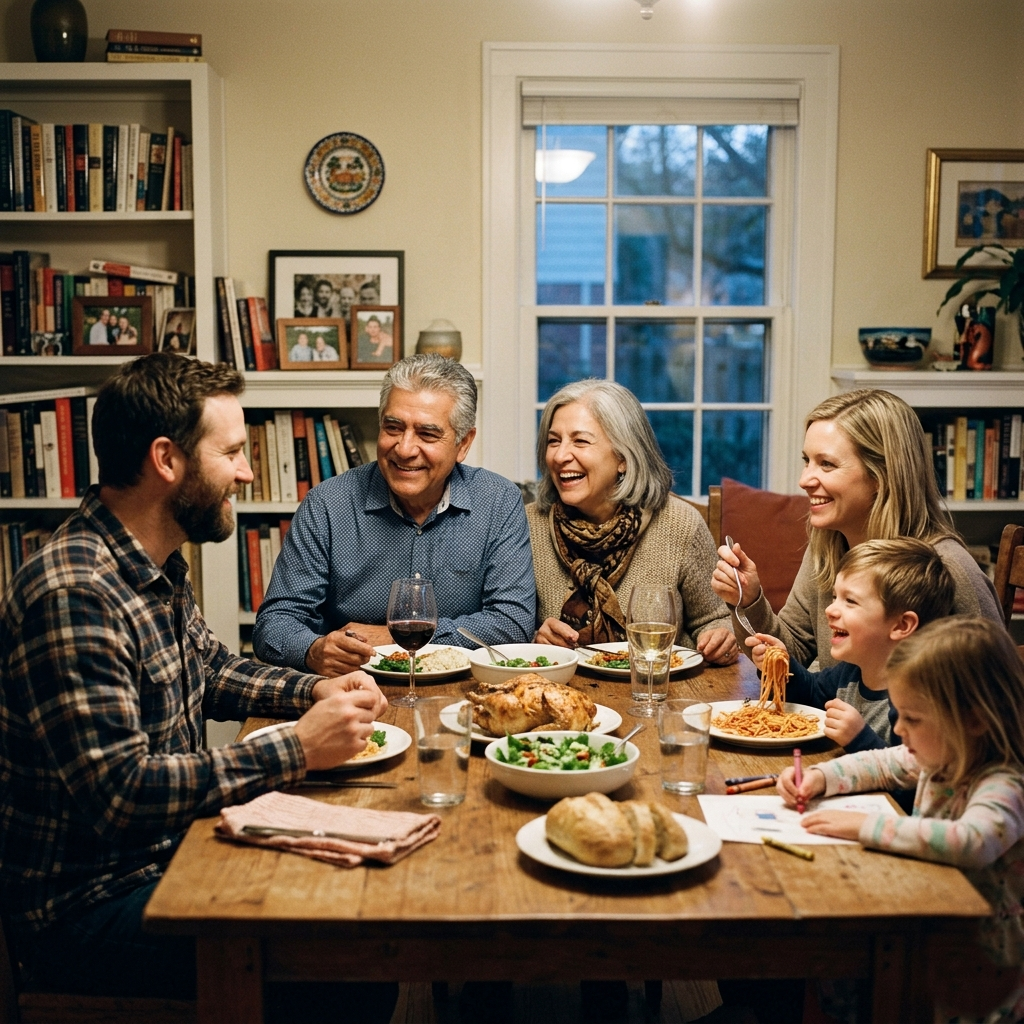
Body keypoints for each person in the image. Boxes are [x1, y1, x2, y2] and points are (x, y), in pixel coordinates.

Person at [0, 353, 395, 1020]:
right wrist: (298, 748)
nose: (246, 471)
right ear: (166, 460)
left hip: (170, 856)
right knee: (347, 965)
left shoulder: (151, 561)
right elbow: (122, 793)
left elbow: (210, 669)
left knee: (359, 911)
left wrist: (317, 691)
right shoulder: (76, 591)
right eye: (234, 452)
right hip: (89, 912)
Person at [779, 617, 1024, 1022]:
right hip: (929, 923)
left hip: (980, 961)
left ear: (975, 720)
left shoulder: (1005, 783)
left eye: (913, 718)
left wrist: (862, 827)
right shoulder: (938, 754)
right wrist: (821, 778)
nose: (897, 728)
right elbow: (880, 765)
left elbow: (972, 841)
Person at [253, 354, 536, 674]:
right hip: (349, 690)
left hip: (463, 693)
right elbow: (273, 626)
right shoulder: (326, 504)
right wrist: (314, 649)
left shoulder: (498, 501)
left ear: (463, 444)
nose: (404, 448)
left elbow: (512, 623)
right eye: (393, 427)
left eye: (427, 434)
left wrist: (395, 639)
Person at [713, 388, 1002, 669]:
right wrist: (749, 600)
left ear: (881, 476)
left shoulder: (949, 568)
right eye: (807, 461)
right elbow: (792, 653)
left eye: (826, 464)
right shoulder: (827, 544)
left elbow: (998, 694)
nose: (805, 480)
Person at [528, 379, 737, 664]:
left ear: (623, 457)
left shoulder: (680, 524)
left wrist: (720, 636)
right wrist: (534, 641)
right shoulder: (527, 525)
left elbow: (715, 619)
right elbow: (508, 630)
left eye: (580, 441)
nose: (561, 455)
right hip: (559, 696)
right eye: (554, 441)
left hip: (662, 695)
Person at [750, 538, 954, 752]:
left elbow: (912, 776)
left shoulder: (916, 701)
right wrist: (781, 666)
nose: (830, 610)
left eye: (850, 601)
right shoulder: (850, 673)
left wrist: (859, 739)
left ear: (901, 625)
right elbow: (811, 695)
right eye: (834, 596)